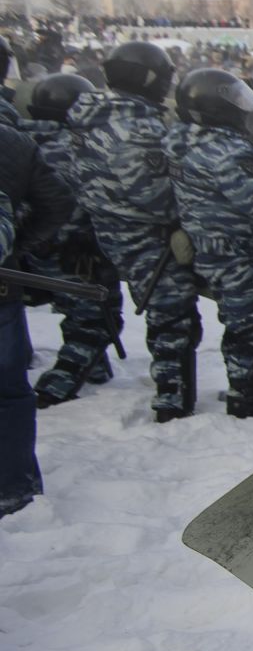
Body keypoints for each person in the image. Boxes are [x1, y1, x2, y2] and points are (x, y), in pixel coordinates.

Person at [67, 41, 203, 422]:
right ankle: (171, 399)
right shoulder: (140, 127)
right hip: (145, 238)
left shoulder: (87, 115)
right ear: (147, 79)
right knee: (172, 319)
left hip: (102, 227)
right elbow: (155, 197)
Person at [170, 68, 253, 420]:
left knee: (239, 327)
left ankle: (241, 390)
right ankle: (244, 402)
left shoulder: (182, 139)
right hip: (240, 255)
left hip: (210, 250)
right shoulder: (230, 151)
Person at [19, 75, 125, 407]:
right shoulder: (79, 148)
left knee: (75, 309)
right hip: (74, 251)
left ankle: (95, 369)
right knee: (96, 319)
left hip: (27, 251)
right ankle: (59, 382)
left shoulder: (18, 140)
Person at [0, 114, 73, 516]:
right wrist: (20, 247)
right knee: (8, 395)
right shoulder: (10, 140)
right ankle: (14, 490)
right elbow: (58, 202)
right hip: (2, 287)